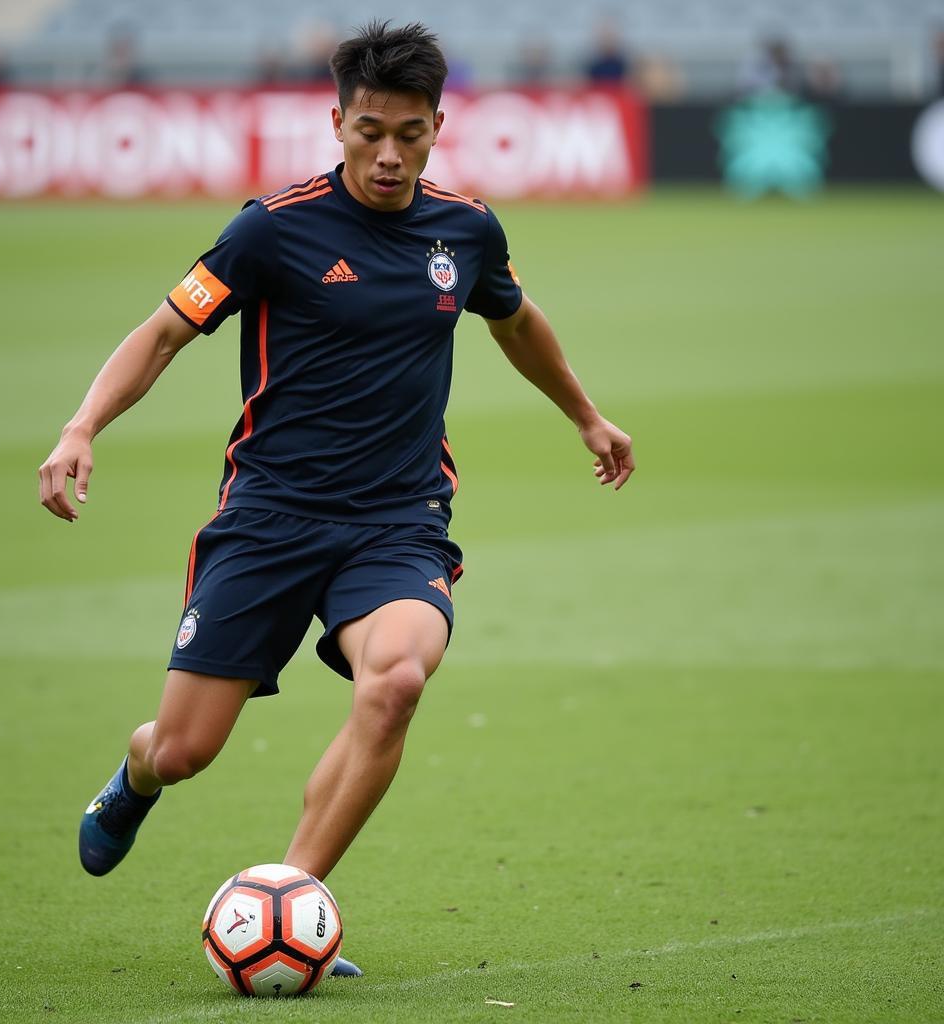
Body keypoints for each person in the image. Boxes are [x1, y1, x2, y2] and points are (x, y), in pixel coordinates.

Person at [38, 19, 634, 977]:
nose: (389, 155)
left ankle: (293, 897)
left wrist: (587, 415)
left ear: (439, 125)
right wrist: (80, 427)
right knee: (185, 750)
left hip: (396, 524)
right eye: (369, 132)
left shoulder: (466, 230)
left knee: (395, 681)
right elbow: (159, 335)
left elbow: (516, 322)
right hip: (268, 518)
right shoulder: (272, 227)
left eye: (410, 133)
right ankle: (133, 779)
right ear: (337, 122)